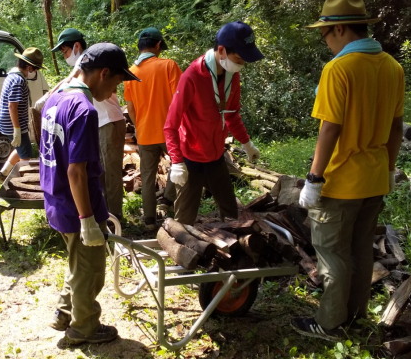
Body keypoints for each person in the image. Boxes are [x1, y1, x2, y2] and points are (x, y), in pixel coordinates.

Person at [292, 0, 404, 341]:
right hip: (374, 177)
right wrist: (389, 167)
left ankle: (329, 324)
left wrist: (314, 178)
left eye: (323, 33)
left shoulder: (339, 68)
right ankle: (353, 315)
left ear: (338, 29)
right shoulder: (391, 66)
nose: (324, 41)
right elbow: (397, 126)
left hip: (341, 181)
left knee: (331, 253)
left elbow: (331, 127)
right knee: (359, 249)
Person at [39, 43, 140, 345]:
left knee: (76, 263)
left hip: (55, 198)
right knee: (91, 269)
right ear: (103, 73)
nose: (113, 92)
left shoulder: (55, 98)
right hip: (76, 203)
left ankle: (63, 312)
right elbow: (76, 171)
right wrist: (87, 220)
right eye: (115, 84)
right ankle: (83, 328)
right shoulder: (84, 110)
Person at [163, 21, 263, 225]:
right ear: (221, 50)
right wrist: (176, 161)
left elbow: (232, 115)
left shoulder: (232, 75)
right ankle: (183, 252)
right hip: (190, 156)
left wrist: (247, 144)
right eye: (239, 58)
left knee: (230, 210)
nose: (242, 64)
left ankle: (235, 249)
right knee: (185, 218)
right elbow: (170, 124)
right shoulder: (192, 76)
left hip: (216, 153)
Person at [51, 28, 127, 221]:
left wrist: (49, 99)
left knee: (110, 174)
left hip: (109, 121)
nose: (64, 55)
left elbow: (66, 82)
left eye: (65, 51)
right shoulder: (86, 64)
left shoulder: (89, 60)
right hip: (98, 122)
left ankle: (114, 217)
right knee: (97, 172)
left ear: (77, 46)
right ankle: (103, 214)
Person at [124, 27, 182, 230]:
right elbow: (179, 98)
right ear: (157, 45)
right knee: (181, 166)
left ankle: (149, 219)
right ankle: (169, 201)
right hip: (170, 131)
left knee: (147, 176)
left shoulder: (131, 72)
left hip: (145, 132)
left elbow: (130, 107)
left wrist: (139, 125)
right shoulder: (169, 66)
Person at [0, 47, 45, 183]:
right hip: (13, 122)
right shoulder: (18, 80)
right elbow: (12, 105)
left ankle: (2, 174)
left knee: (21, 148)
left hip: (9, 121)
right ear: (29, 67)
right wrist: (17, 129)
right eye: (35, 69)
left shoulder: (12, 76)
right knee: (26, 155)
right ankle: (24, 182)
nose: (34, 72)